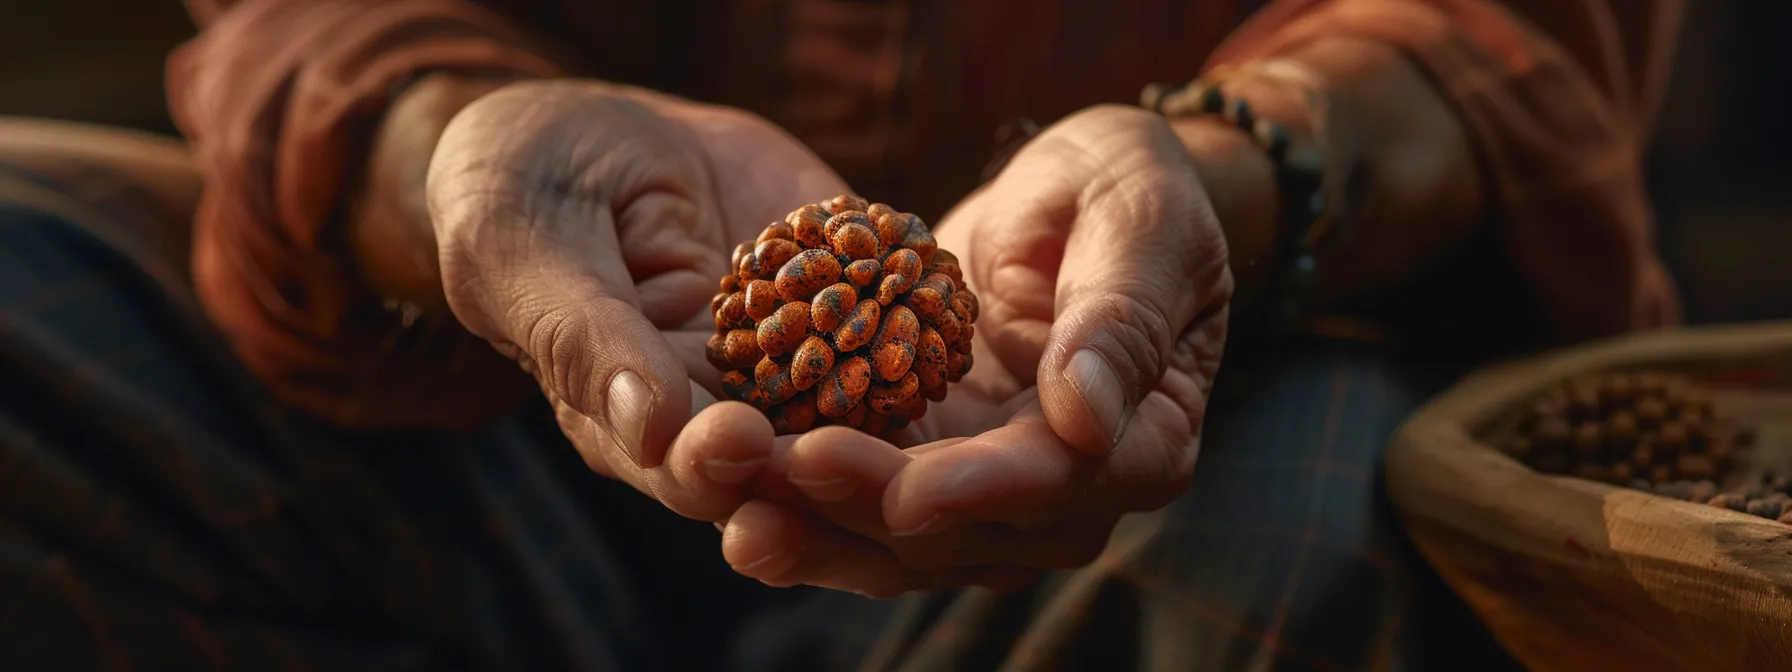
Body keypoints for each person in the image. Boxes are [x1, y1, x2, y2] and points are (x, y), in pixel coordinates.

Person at [0, 0, 1681, 669]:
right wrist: (446, 144)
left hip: (1140, 436)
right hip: (464, 407)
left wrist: (1232, 177)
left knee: (1331, 528)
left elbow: (1521, 39)